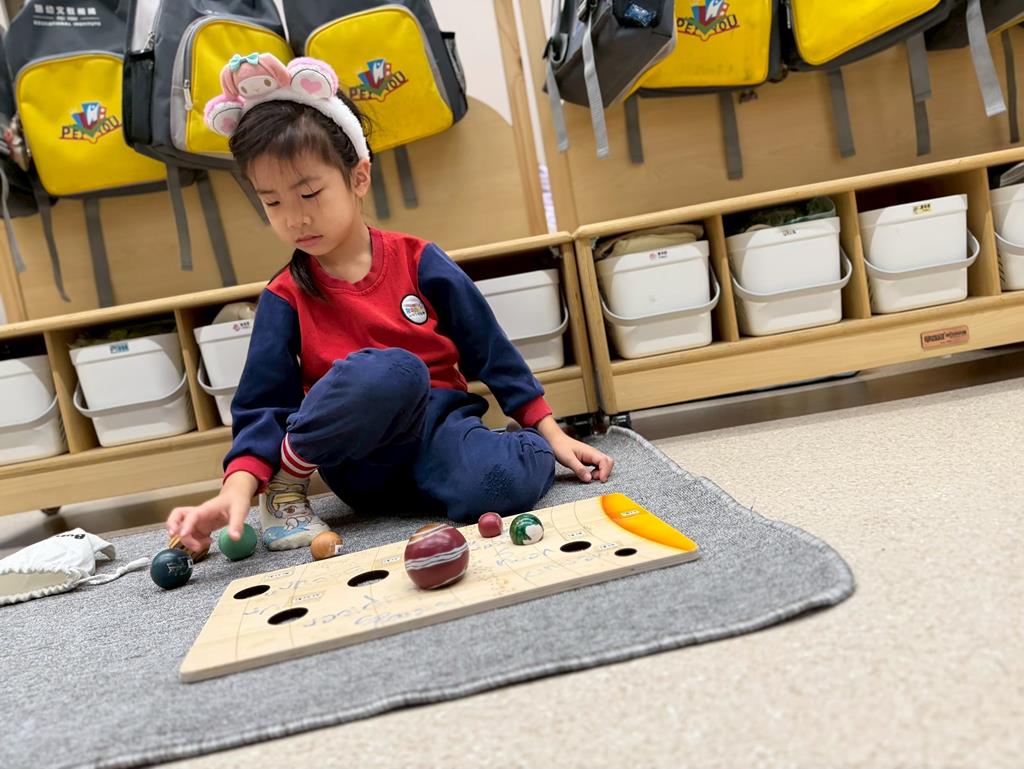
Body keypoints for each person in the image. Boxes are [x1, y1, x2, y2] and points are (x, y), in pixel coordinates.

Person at [166, 53, 613, 554]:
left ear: (358, 177)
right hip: (357, 464)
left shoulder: (420, 261)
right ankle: (288, 484)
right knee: (395, 372)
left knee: (500, 483)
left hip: (439, 434)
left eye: (309, 194)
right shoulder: (284, 296)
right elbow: (262, 403)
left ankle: (489, 460)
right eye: (272, 202)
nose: (293, 219)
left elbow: (491, 352)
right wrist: (236, 489)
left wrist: (551, 433)